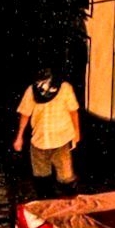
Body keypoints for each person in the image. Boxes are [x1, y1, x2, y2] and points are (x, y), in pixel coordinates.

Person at [11, 67, 81, 198]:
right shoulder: (31, 90)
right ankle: (46, 202)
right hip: (40, 141)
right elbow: (25, 114)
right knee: (41, 179)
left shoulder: (65, 88)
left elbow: (73, 111)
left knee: (66, 178)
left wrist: (77, 132)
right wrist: (19, 137)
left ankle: (72, 203)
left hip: (61, 140)